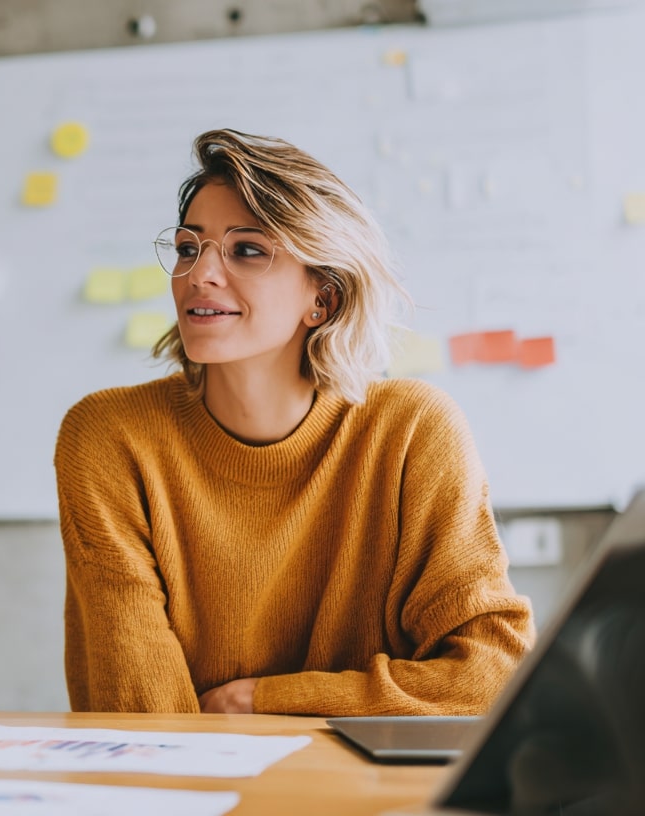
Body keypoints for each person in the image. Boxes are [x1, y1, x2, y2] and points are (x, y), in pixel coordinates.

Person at [55, 129, 534, 716]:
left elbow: (492, 675)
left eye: (247, 250)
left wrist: (262, 700)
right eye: (188, 247)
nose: (200, 274)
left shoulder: (412, 431)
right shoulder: (108, 436)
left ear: (322, 300)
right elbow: (141, 716)